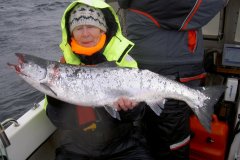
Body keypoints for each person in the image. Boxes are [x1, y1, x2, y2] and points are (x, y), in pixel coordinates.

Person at [118, 0, 228, 160]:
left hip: (152, 78)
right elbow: (205, 7)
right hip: (170, 78)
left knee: (153, 139)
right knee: (172, 144)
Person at [44, 0, 154, 159]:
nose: (85, 33)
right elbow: (58, 120)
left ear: (103, 30)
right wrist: (55, 95)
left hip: (124, 144)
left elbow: (139, 114)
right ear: (71, 33)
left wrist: (130, 109)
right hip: (77, 147)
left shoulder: (124, 61)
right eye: (79, 28)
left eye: (91, 26)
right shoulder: (61, 67)